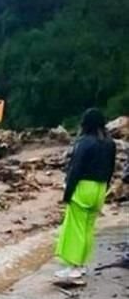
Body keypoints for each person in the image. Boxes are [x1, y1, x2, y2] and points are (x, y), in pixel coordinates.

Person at [54, 108, 116, 281]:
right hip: (100, 188)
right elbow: (111, 169)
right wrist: (105, 188)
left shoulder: (84, 142)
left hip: (83, 188)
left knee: (76, 228)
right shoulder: (110, 143)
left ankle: (73, 266)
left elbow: (76, 169)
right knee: (88, 228)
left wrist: (67, 193)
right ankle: (80, 265)